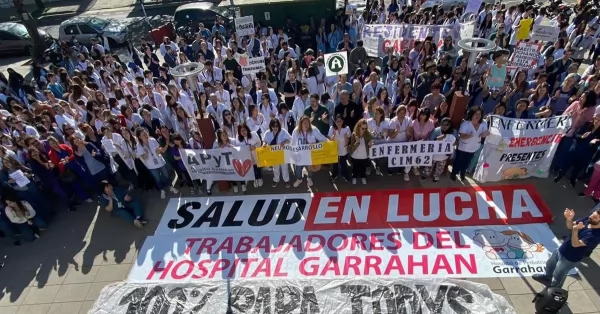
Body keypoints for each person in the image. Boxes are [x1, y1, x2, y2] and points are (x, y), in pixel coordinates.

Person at [533, 208, 600, 288]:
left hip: (570, 258)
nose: (591, 217)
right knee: (550, 264)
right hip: (562, 249)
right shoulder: (588, 219)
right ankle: (547, 277)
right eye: (592, 214)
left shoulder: (595, 235)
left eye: (595, 217)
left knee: (559, 274)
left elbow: (576, 244)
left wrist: (575, 230)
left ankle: (554, 289)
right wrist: (569, 219)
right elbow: (570, 226)